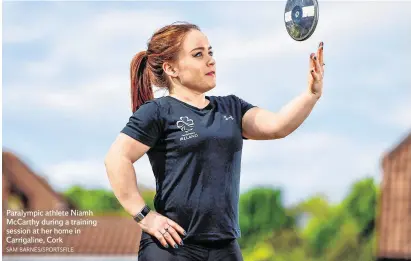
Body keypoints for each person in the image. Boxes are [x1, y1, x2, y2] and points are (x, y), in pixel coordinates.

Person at [104, 21, 325, 261]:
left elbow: (278, 125)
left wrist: (311, 95)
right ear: (171, 68)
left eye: (210, 52)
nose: (211, 60)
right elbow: (116, 159)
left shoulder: (231, 107)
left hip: (224, 247)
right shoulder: (157, 112)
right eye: (198, 54)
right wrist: (145, 216)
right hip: (173, 247)